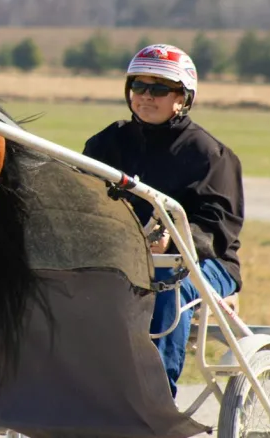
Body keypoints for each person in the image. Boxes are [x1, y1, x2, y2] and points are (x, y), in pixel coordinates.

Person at [82, 43, 244, 399]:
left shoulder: (209, 155)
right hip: (122, 258)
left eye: (158, 89)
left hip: (204, 263)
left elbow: (219, 229)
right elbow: (81, 202)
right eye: (138, 87)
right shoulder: (107, 143)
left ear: (182, 98)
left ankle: (156, 400)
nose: (145, 97)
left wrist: (173, 241)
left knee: (164, 282)